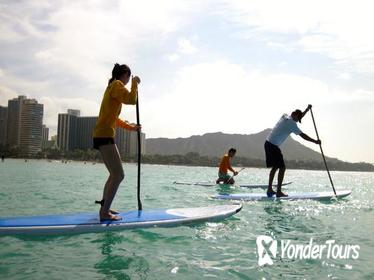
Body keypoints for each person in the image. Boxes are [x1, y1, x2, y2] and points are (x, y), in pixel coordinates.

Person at [93, 63, 141, 221]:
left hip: (102, 134)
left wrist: (131, 127)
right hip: (104, 135)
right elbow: (132, 99)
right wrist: (136, 83)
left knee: (114, 174)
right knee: (119, 175)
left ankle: (104, 206)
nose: (129, 79)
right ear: (124, 74)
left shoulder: (112, 87)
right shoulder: (117, 85)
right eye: (129, 76)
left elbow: (115, 119)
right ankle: (104, 213)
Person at [265, 105, 321, 197]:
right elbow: (303, 135)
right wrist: (315, 141)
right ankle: (278, 192)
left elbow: (299, 115)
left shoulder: (285, 116)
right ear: (293, 115)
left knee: (275, 167)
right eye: (297, 119)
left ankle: (269, 189)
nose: (297, 121)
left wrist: (306, 110)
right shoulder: (292, 123)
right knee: (282, 168)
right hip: (273, 146)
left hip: (268, 143)